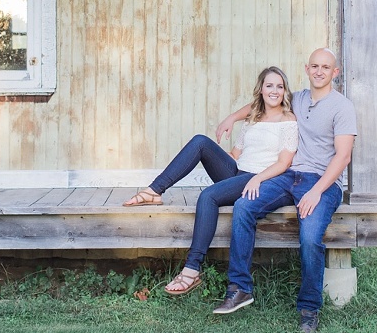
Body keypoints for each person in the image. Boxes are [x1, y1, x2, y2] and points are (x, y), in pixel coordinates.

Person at [211, 48, 357, 333]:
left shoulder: (342, 107)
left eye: (325, 67)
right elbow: (263, 103)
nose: (319, 71)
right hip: (290, 176)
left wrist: (316, 191)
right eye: (314, 66)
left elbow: (343, 157)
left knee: (311, 235)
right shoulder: (298, 98)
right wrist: (232, 117)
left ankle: (309, 308)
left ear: (334, 72)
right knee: (244, 206)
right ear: (307, 69)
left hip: (322, 183)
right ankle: (240, 288)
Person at [123, 66, 299, 296]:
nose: (274, 90)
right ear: (261, 89)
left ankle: (192, 269)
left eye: (280, 86)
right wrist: (216, 155)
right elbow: (236, 155)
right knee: (200, 142)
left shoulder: (289, 121)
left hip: (259, 179)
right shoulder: (253, 118)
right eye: (269, 85)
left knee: (209, 195)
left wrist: (258, 178)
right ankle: (155, 190)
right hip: (239, 172)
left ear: (285, 91)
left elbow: (284, 163)